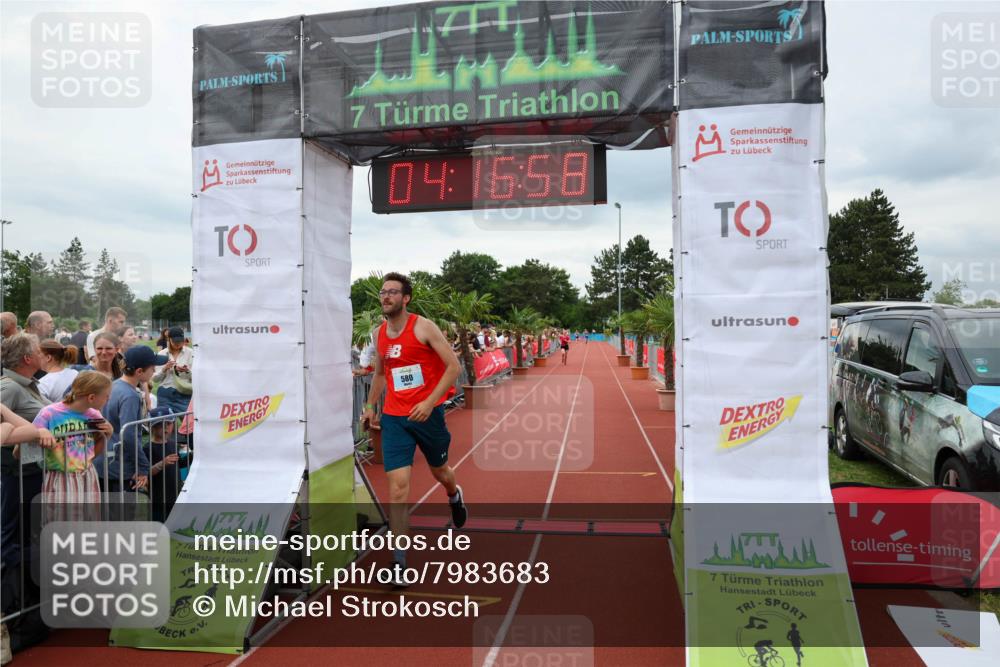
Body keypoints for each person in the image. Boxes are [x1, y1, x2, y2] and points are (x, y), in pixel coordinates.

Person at [360, 272, 467, 586]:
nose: (385, 296)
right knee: (398, 489)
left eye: (392, 292)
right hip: (395, 418)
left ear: (405, 298)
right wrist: (370, 406)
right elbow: (381, 374)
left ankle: (454, 495)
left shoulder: (423, 327)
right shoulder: (379, 334)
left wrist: (430, 402)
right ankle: (399, 563)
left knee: (440, 471)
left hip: (427, 416)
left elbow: (454, 367)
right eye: (383, 292)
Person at [31, 372, 112, 520]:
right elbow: (27, 445)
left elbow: (93, 452)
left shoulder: (94, 415)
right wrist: (39, 434)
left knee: (89, 522)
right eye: (106, 396)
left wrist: (107, 435)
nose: (109, 399)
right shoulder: (49, 413)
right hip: (60, 477)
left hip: (87, 474)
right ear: (91, 397)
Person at [0, 333, 49, 570]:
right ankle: (11, 585)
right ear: (28, 358)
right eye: (39, 351)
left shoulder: (29, 384)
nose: (43, 355)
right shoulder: (9, 387)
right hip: (17, 472)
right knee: (14, 532)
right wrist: (30, 434)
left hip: (32, 469)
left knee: (29, 529)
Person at [95, 346, 162, 494]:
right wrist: (143, 466)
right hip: (118, 465)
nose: (154, 371)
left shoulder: (114, 385)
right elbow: (129, 435)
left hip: (103, 459)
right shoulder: (130, 396)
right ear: (139, 371)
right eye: (152, 367)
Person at [145, 406, 181, 521]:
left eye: (168, 424)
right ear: (151, 427)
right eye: (160, 425)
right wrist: (162, 464)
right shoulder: (148, 448)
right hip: (158, 500)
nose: (165, 428)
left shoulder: (173, 444)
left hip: (176, 496)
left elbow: (180, 464)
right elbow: (145, 473)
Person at [152, 326, 194, 413]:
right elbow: (155, 379)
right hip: (165, 394)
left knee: (187, 420)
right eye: (175, 341)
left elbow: (197, 376)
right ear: (169, 339)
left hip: (184, 392)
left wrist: (187, 371)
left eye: (180, 341)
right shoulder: (162, 354)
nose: (178, 343)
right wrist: (165, 368)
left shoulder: (191, 353)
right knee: (166, 420)